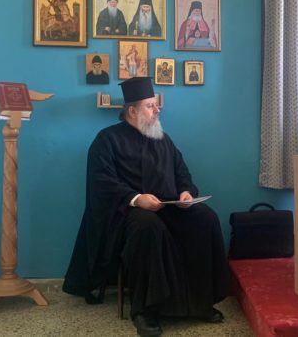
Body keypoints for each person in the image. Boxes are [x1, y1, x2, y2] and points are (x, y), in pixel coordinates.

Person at [63, 77, 229, 337]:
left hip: (170, 207)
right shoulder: (107, 139)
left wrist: (186, 192)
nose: (157, 110)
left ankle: (199, 303)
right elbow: (102, 182)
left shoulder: (163, 139)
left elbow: (181, 172)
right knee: (147, 226)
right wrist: (136, 198)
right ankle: (146, 311)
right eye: (150, 106)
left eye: (156, 105)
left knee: (205, 218)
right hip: (128, 212)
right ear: (132, 111)